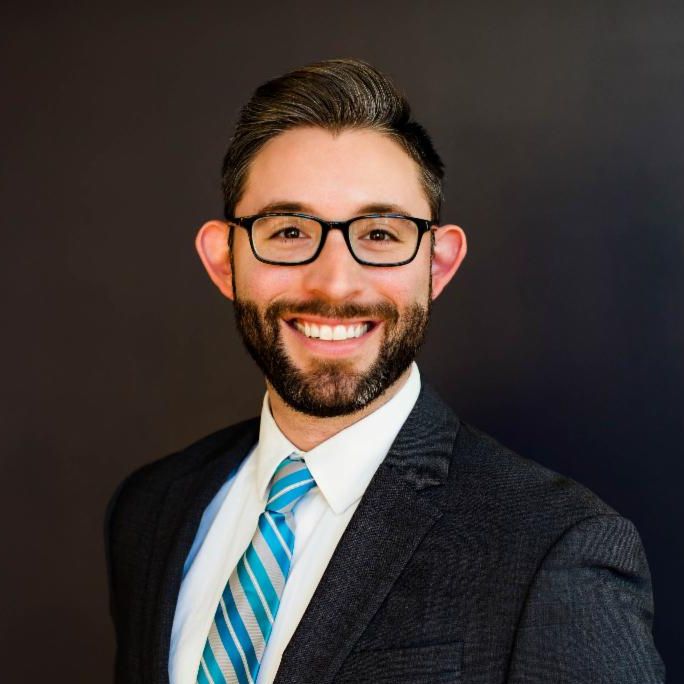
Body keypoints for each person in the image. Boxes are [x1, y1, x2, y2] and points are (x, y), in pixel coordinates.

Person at [105, 59, 665, 684]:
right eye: (288, 231)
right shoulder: (151, 509)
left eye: (378, 234)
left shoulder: (553, 549)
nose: (334, 284)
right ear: (223, 261)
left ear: (437, 264)